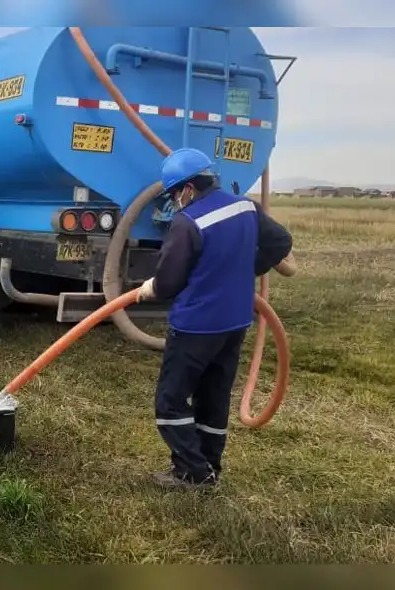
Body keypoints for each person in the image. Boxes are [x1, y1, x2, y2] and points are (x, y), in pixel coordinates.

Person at [136, 148, 295, 490]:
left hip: (196, 326)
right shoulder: (246, 207)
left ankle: (194, 472)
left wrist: (150, 287)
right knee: (214, 398)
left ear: (188, 188)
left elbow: (167, 284)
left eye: (175, 193)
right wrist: (248, 269)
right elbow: (281, 241)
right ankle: (210, 466)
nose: (175, 201)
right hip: (235, 323)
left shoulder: (187, 221)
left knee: (171, 401)